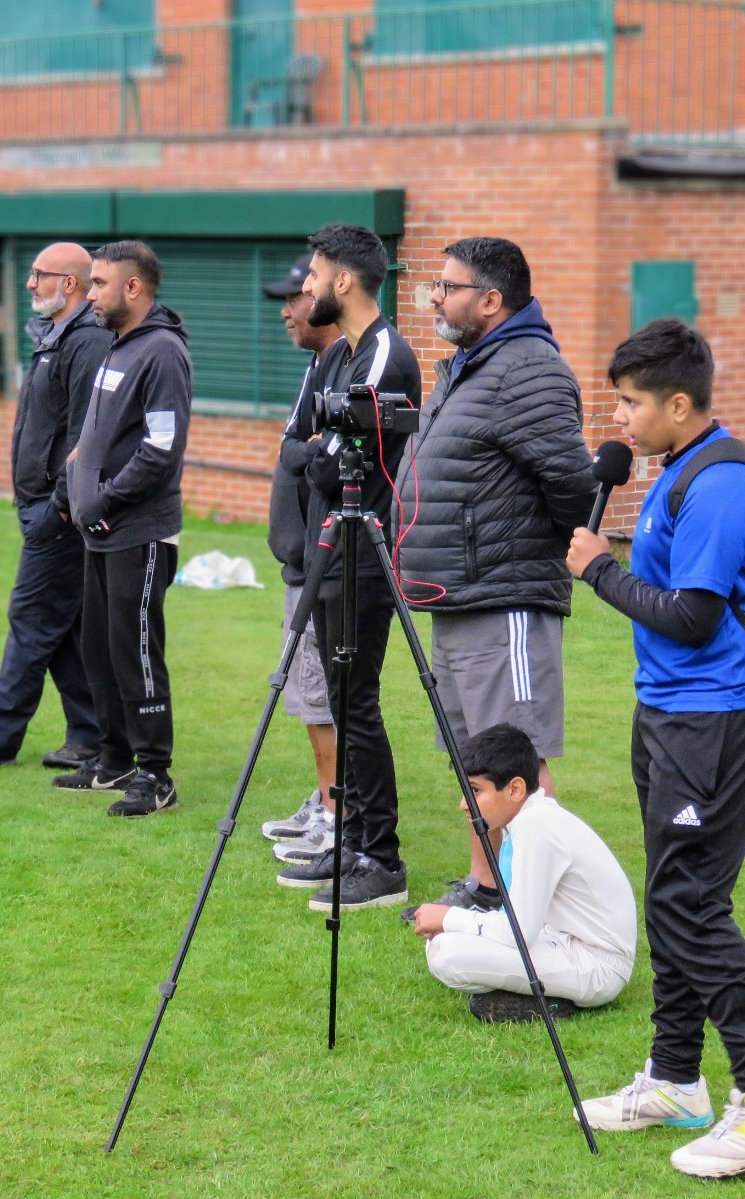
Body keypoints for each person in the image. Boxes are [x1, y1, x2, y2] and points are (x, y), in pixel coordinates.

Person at [565, 320, 745, 1179]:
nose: (620, 417)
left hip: (714, 717)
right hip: (672, 712)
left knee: (691, 904)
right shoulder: (678, 468)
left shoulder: (717, 486)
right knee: (677, 893)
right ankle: (676, 1078)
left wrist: (600, 568)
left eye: (632, 402)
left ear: (680, 402)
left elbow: (694, 615)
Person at [392, 237, 596, 920]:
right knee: (477, 760)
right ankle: (487, 888)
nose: (435, 300)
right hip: (457, 594)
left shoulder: (529, 370)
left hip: (503, 597)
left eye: (447, 288)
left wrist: (502, 542)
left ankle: (545, 905)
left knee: (517, 760)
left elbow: (574, 488)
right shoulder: (468, 367)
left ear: (490, 299)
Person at [272, 224, 422, 912]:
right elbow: (303, 448)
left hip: (364, 554)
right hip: (331, 546)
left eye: (314, 276)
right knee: (341, 700)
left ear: (343, 280)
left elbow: (330, 460)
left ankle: (380, 858)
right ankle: (351, 840)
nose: (304, 288)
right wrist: (313, 451)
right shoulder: (343, 355)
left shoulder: (386, 352)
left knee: (357, 702)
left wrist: (314, 452)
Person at [0, 243, 108, 772]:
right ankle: (90, 734)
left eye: (39, 275)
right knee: (62, 626)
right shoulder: (59, 338)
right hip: (43, 507)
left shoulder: (88, 342)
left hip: (59, 514)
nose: (29, 284)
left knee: (31, 617)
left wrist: (56, 507)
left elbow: (85, 436)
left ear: (70, 283)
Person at [55, 240, 191, 819]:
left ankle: (154, 774)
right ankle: (112, 759)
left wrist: (106, 498)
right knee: (100, 649)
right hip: (99, 530)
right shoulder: (118, 348)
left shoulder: (161, 353)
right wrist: (74, 490)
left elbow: (162, 449)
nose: (89, 296)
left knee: (135, 652)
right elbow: (98, 434)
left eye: (98, 285)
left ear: (132, 288)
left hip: (139, 530)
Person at [410, 723, 635, 1023]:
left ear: (515, 789)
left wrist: (449, 917)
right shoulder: (531, 819)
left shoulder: (535, 826)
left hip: (597, 966)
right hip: (565, 942)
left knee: (446, 952)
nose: (464, 804)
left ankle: (552, 1002)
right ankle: (540, 993)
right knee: (445, 941)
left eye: (475, 791)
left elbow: (518, 931)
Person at [256, 252, 342, 862]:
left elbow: (312, 457)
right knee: (310, 694)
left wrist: (298, 451)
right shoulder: (317, 366)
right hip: (300, 563)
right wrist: (296, 450)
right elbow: (293, 451)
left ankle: (338, 813)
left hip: (325, 566)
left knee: (320, 693)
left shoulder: (343, 367)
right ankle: (325, 797)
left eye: (296, 296)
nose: (287, 310)